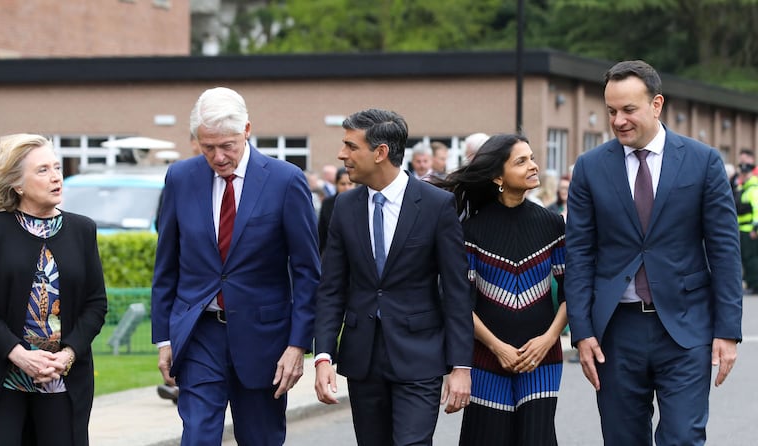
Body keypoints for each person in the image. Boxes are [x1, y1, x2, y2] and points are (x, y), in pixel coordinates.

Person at [565, 60, 742, 445]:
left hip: (686, 327)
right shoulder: (590, 168)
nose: (618, 120)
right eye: (611, 111)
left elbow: (725, 249)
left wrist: (728, 330)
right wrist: (581, 330)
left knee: (682, 437)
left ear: (657, 104)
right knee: (622, 438)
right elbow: (579, 253)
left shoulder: (703, 161)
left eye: (628, 110)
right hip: (616, 331)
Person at [151, 87, 320, 445]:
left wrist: (297, 344)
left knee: (260, 438)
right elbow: (166, 263)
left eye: (227, 145)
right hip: (200, 332)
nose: (218, 156)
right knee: (197, 435)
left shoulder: (285, 180)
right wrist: (164, 337)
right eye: (207, 146)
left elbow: (307, 270)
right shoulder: (180, 178)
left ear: (247, 129)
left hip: (264, 338)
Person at [314, 108, 474, 446]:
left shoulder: (436, 205)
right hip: (362, 359)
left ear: (380, 151)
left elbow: (457, 291)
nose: (343, 155)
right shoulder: (343, 207)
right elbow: (331, 288)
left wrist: (460, 365)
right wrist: (324, 355)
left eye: (350, 146)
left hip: (420, 357)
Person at [0, 134, 108, 445]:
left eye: (57, 168)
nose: (56, 177)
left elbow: (95, 304)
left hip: (61, 378)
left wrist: (67, 355)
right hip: (1, 377)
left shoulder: (83, 230)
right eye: (42, 170)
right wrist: (19, 355)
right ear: (17, 184)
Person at [434, 134, 567, 445]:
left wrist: (547, 341)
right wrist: (497, 347)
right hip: (485, 358)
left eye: (532, 158)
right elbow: (458, 303)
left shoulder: (552, 225)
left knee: (537, 438)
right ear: (497, 177)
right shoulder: (470, 231)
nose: (533, 166)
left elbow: (572, 291)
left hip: (542, 360)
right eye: (521, 161)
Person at [733, 150, 758, 294]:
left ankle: (755, 285)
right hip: (742, 229)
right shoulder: (743, 188)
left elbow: (756, 209)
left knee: (752, 259)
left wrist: (755, 228)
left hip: (750, 230)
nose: (742, 175)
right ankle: (750, 283)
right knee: (746, 259)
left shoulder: (753, 188)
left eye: (744, 173)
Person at [317, 167, 354, 255]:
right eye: (342, 184)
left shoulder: (362, 204)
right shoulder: (327, 204)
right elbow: (321, 233)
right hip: (333, 254)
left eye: (350, 184)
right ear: (336, 184)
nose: (346, 188)